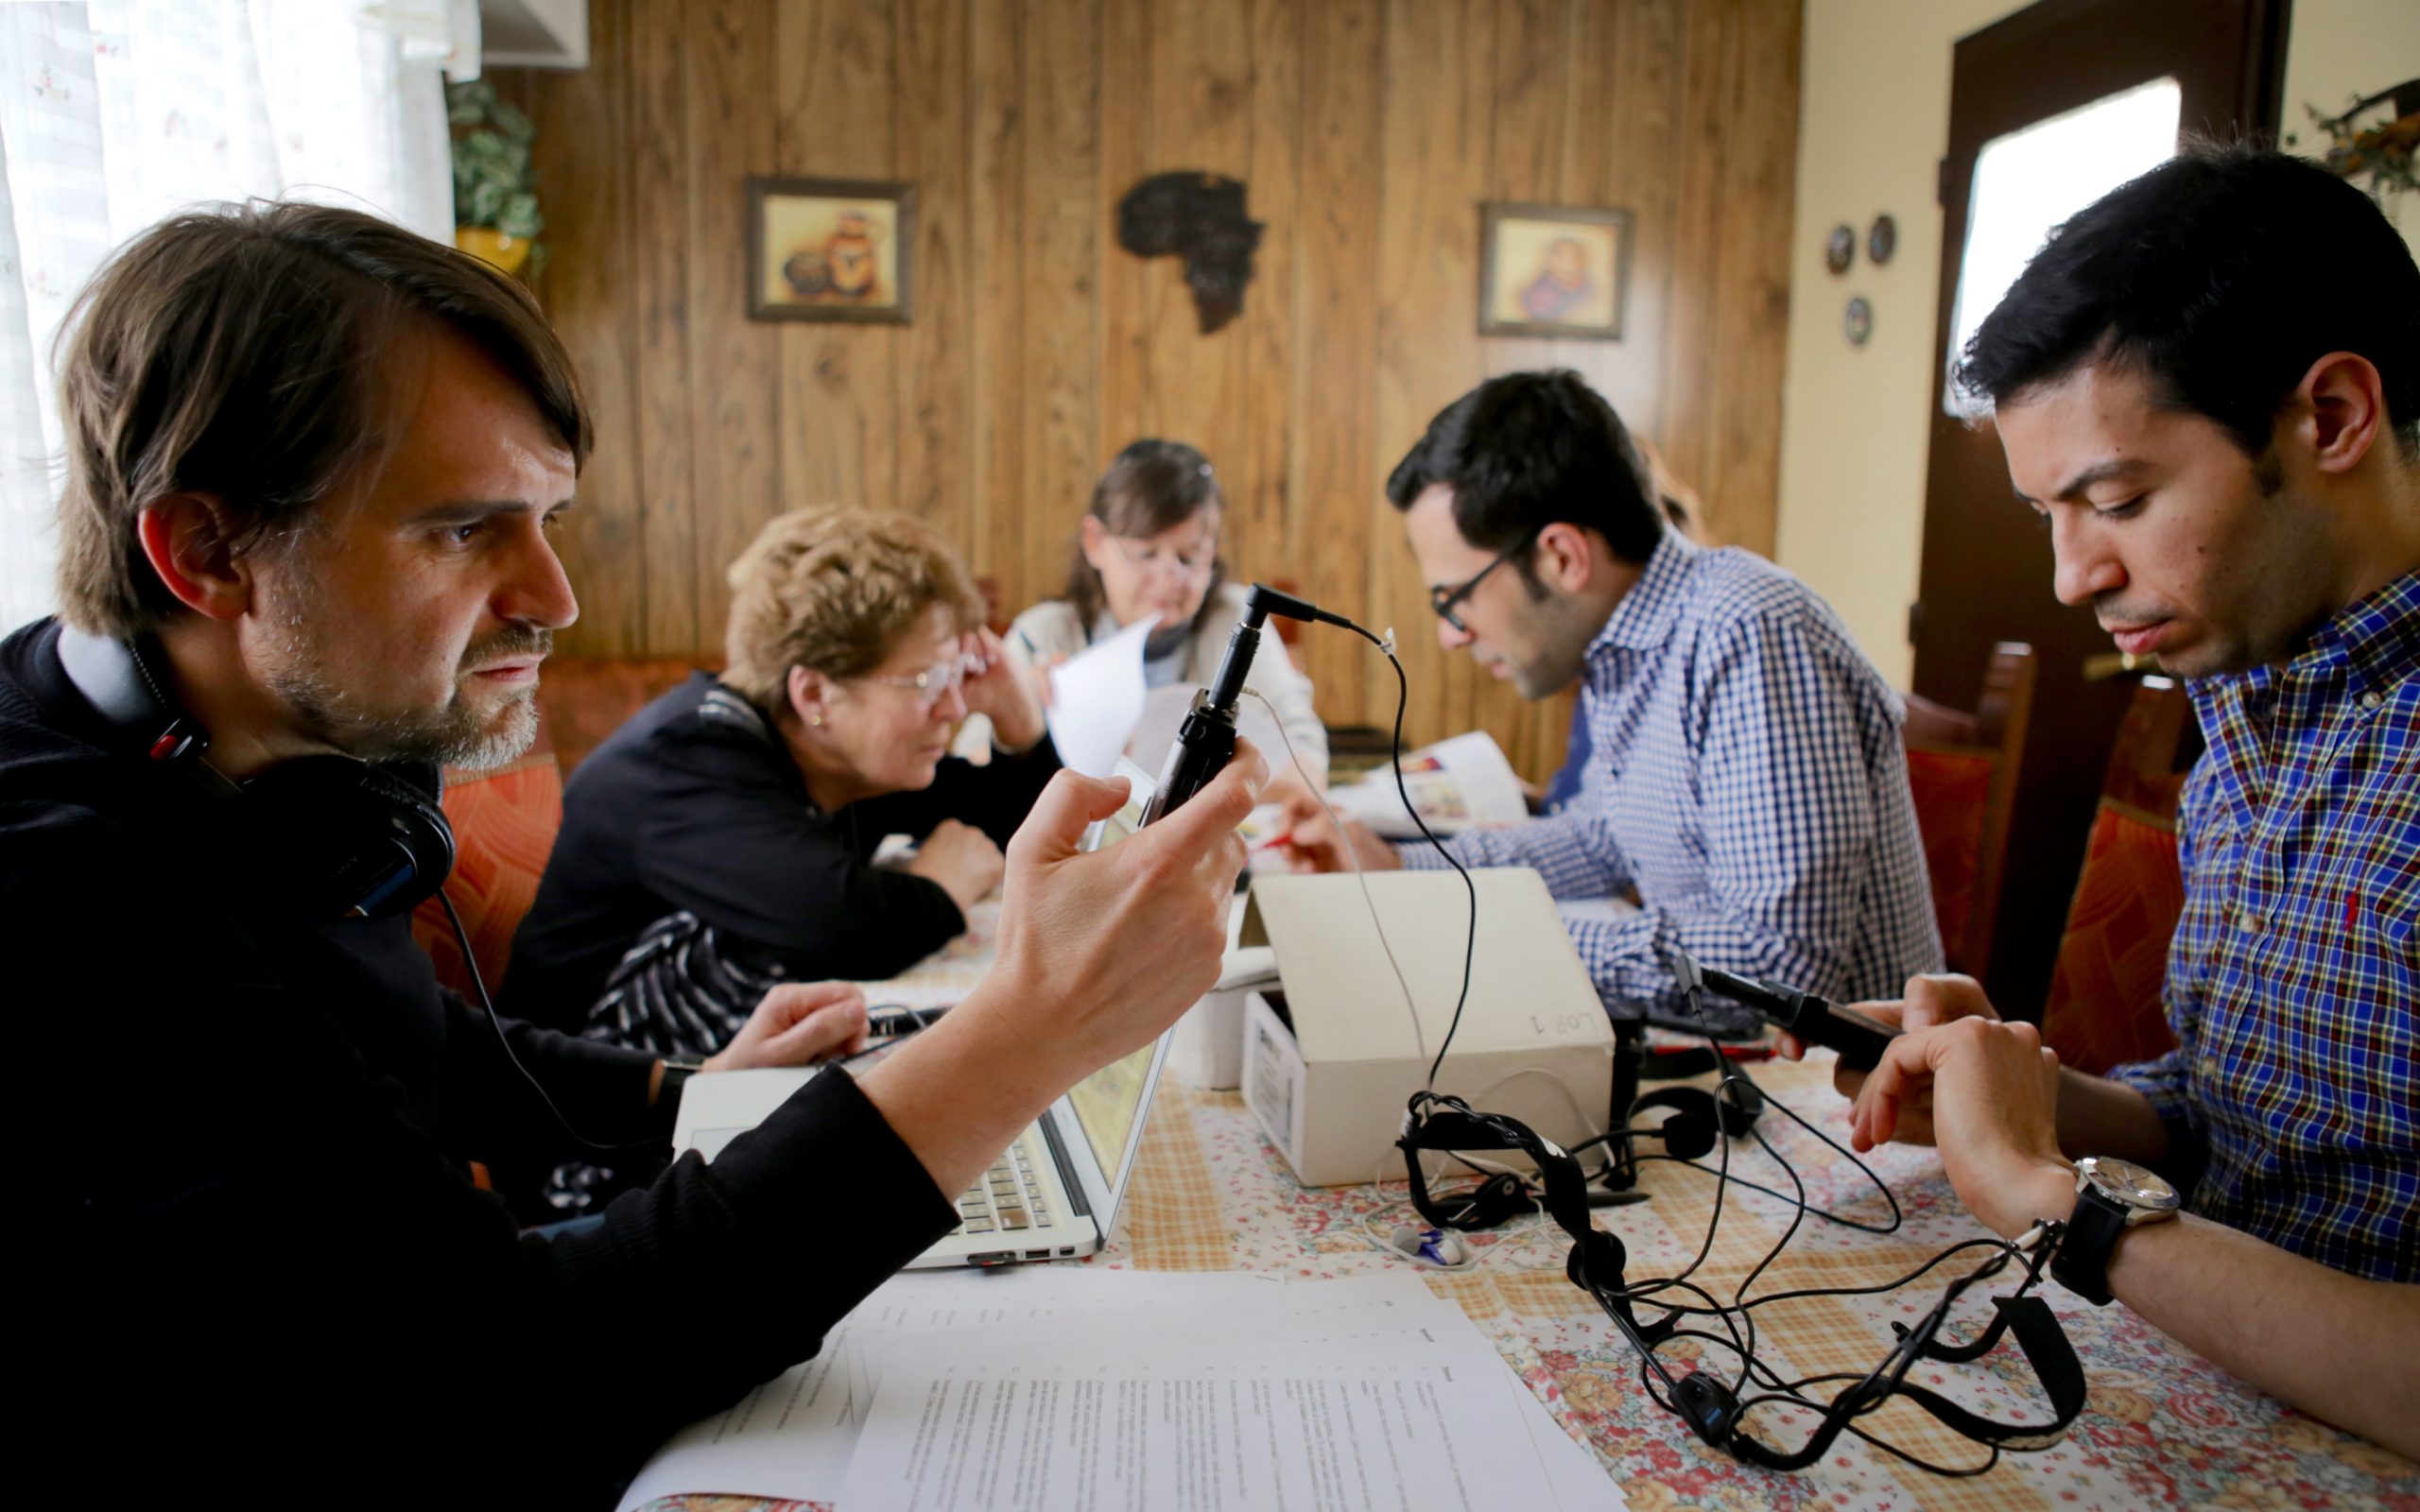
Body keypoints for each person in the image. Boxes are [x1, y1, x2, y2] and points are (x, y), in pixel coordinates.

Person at [10, 200, 1267, 1500]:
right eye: (460, 528)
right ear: (208, 553)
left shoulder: (273, 754)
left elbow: (417, 1044)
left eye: (547, 518)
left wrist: (688, 1094)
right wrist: (1022, 1039)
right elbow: (516, 1378)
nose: (554, 597)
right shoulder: (59, 899)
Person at [1792, 146, 2417, 1458]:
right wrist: (2029, 1097)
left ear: (2335, 419)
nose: (2075, 576)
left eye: (2118, 500)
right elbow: (2238, 1121)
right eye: (2047, 517)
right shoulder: (2250, 688)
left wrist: (2056, 1200)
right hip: (2213, 1397)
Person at [1282, 370, 1941, 1031]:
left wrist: (1480, 926)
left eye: (1455, 599)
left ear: (1563, 557)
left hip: (1843, 1107)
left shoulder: (1747, 630)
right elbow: (1602, 840)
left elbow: (1779, 970)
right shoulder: (1624, 649)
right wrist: (1402, 871)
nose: (1450, 636)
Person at [505, 508, 1058, 1047]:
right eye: (928, 680)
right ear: (815, 694)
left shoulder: (832, 753)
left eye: (956, 673)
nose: (955, 705)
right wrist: (943, 884)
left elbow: (1018, 825)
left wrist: (1019, 717)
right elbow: (848, 930)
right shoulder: (683, 765)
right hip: (580, 1105)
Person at [998, 438, 1327, 785]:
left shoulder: (1236, 621)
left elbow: (1304, 752)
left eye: (1189, 558)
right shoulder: (1041, 635)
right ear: (1095, 542)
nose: (1170, 578)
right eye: (1146, 554)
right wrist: (1022, 723)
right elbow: (973, 763)